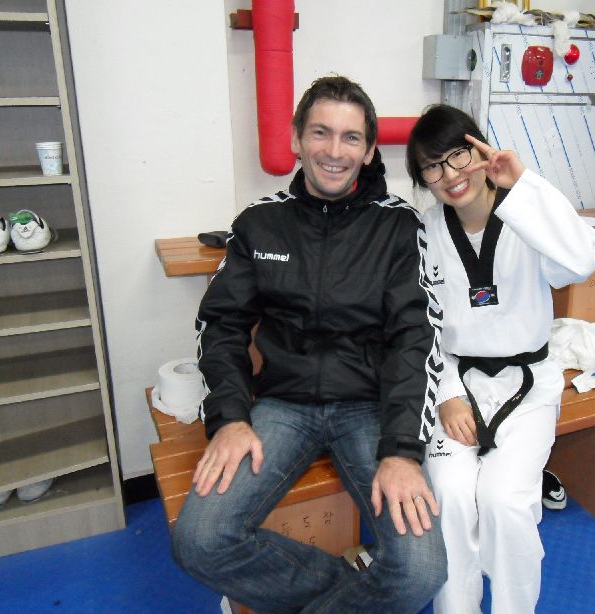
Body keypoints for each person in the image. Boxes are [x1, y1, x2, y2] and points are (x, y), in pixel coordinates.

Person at [172, 76, 446, 614]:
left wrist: (401, 450)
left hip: (369, 408)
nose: (334, 151)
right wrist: (230, 418)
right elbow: (221, 325)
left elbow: (414, 340)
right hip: (282, 406)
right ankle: (352, 585)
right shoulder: (259, 222)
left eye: (350, 137)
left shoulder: (398, 226)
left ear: (369, 150)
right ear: (296, 138)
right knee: (199, 541)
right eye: (321, 132)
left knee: (421, 572)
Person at [405, 104, 595, 613]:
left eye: (458, 155)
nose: (451, 175)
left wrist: (524, 186)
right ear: (422, 179)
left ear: (479, 150)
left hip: (527, 385)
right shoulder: (425, 232)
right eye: (432, 166)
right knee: (450, 496)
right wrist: (446, 394)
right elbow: (419, 324)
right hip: (455, 381)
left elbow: (583, 260)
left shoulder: (524, 215)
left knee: (504, 502)